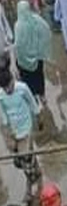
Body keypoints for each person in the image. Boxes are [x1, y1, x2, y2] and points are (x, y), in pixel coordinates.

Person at [0, 68, 42, 197]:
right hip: (12, 131)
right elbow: (3, 115)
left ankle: (30, 183)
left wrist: (39, 119)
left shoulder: (22, 88)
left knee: (26, 157)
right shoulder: (1, 95)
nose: (8, 90)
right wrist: (8, 133)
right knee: (19, 160)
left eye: (10, 86)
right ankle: (35, 170)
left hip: (25, 128)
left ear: (13, 80)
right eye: (5, 88)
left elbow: (32, 103)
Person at [14, 0, 50, 102]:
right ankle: (42, 96)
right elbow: (45, 30)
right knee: (39, 76)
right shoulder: (36, 20)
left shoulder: (18, 25)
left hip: (23, 60)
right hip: (37, 57)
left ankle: (33, 96)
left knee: (27, 79)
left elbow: (18, 45)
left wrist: (17, 59)